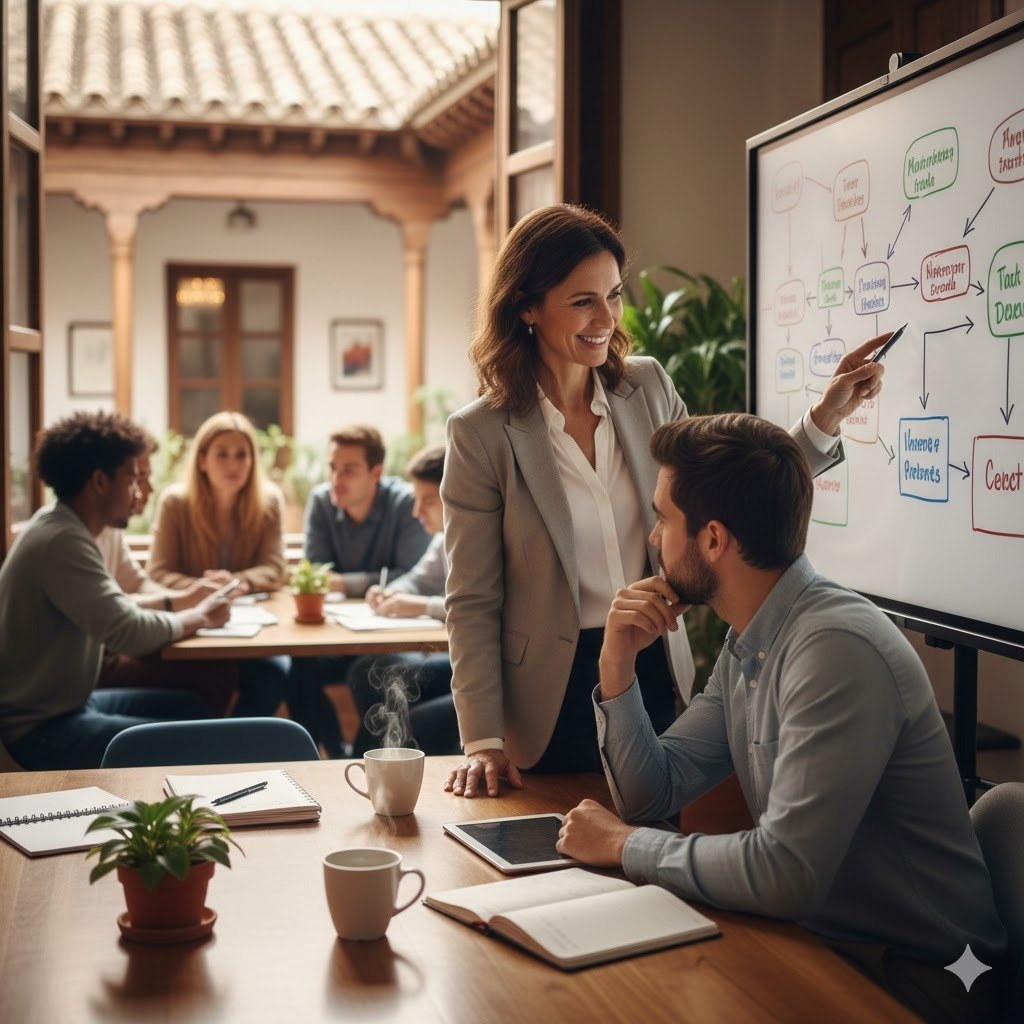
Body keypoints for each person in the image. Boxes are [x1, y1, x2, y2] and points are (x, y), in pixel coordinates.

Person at [554, 412, 1006, 1024]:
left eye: (664, 518)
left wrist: (626, 846)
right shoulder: (753, 639)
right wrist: (617, 667)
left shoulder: (835, 650)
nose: (655, 539)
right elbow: (650, 793)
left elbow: (785, 872)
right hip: (823, 942)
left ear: (713, 539)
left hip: (923, 980)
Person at [441, 203, 886, 797]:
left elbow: (733, 490)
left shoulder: (645, 387)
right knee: (549, 857)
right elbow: (471, 599)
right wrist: (483, 740)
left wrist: (826, 418)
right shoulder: (482, 433)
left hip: (648, 660)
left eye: (614, 295)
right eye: (582, 300)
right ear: (527, 307)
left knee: (644, 840)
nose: (607, 317)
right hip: (544, 697)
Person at [0, 411, 232, 770]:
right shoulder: (62, 541)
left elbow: (119, 605)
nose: (138, 491)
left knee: (193, 710)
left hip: (73, 706)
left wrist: (185, 604)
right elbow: (128, 631)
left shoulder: (67, 530)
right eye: (130, 479)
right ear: (99, 482)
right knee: (192, 742)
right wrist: (197, 617)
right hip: (39, 729)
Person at [287, 425, 431, 755]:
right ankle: (329, 755)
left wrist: (346, 582)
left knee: (368, 672)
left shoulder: (406, 503)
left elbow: (411, 575)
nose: (337, 479)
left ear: (375, 472)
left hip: (389, 635)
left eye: (349, 470)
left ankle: (361, 761)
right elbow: (317, 572)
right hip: (336, 632)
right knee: (299, 667)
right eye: (333, 468)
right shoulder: (322, 501)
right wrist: (360, 582)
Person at [148, 411, 288, 718]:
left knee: (277, 671)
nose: (233, 464)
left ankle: (238, 752)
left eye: (242, 455)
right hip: (194, 630)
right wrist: (202, 589)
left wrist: (237, 582)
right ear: (201, 460)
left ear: (253, 461)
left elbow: (276, 568)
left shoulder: (268, 501)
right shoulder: (175, 503)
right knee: (207, 679)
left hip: (253, 631)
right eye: (222, 454)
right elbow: (157, 572)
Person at [95, 431, 238, 714]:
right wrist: (193, 610)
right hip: (98, 664)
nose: (147, 489)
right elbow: (115, 612)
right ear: (101, 481)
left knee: (224, 671)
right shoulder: (78, 537)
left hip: (110, 651)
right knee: (215, 675)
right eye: (137, 478)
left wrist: (188, 596)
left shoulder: (108, 528)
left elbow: (137, 583)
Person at [347, 445, 458, 755]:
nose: (416, 512)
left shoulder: (484, 537)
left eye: (427, 501)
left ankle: (375, 763)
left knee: (409, 721)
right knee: (365, 672)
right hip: (459, 661)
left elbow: (482, 609)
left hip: (490, 670)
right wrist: (391, 591)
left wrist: (423, 606)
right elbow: (418, 580)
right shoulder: (443, 538)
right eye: (415, 499)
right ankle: (367, 760)